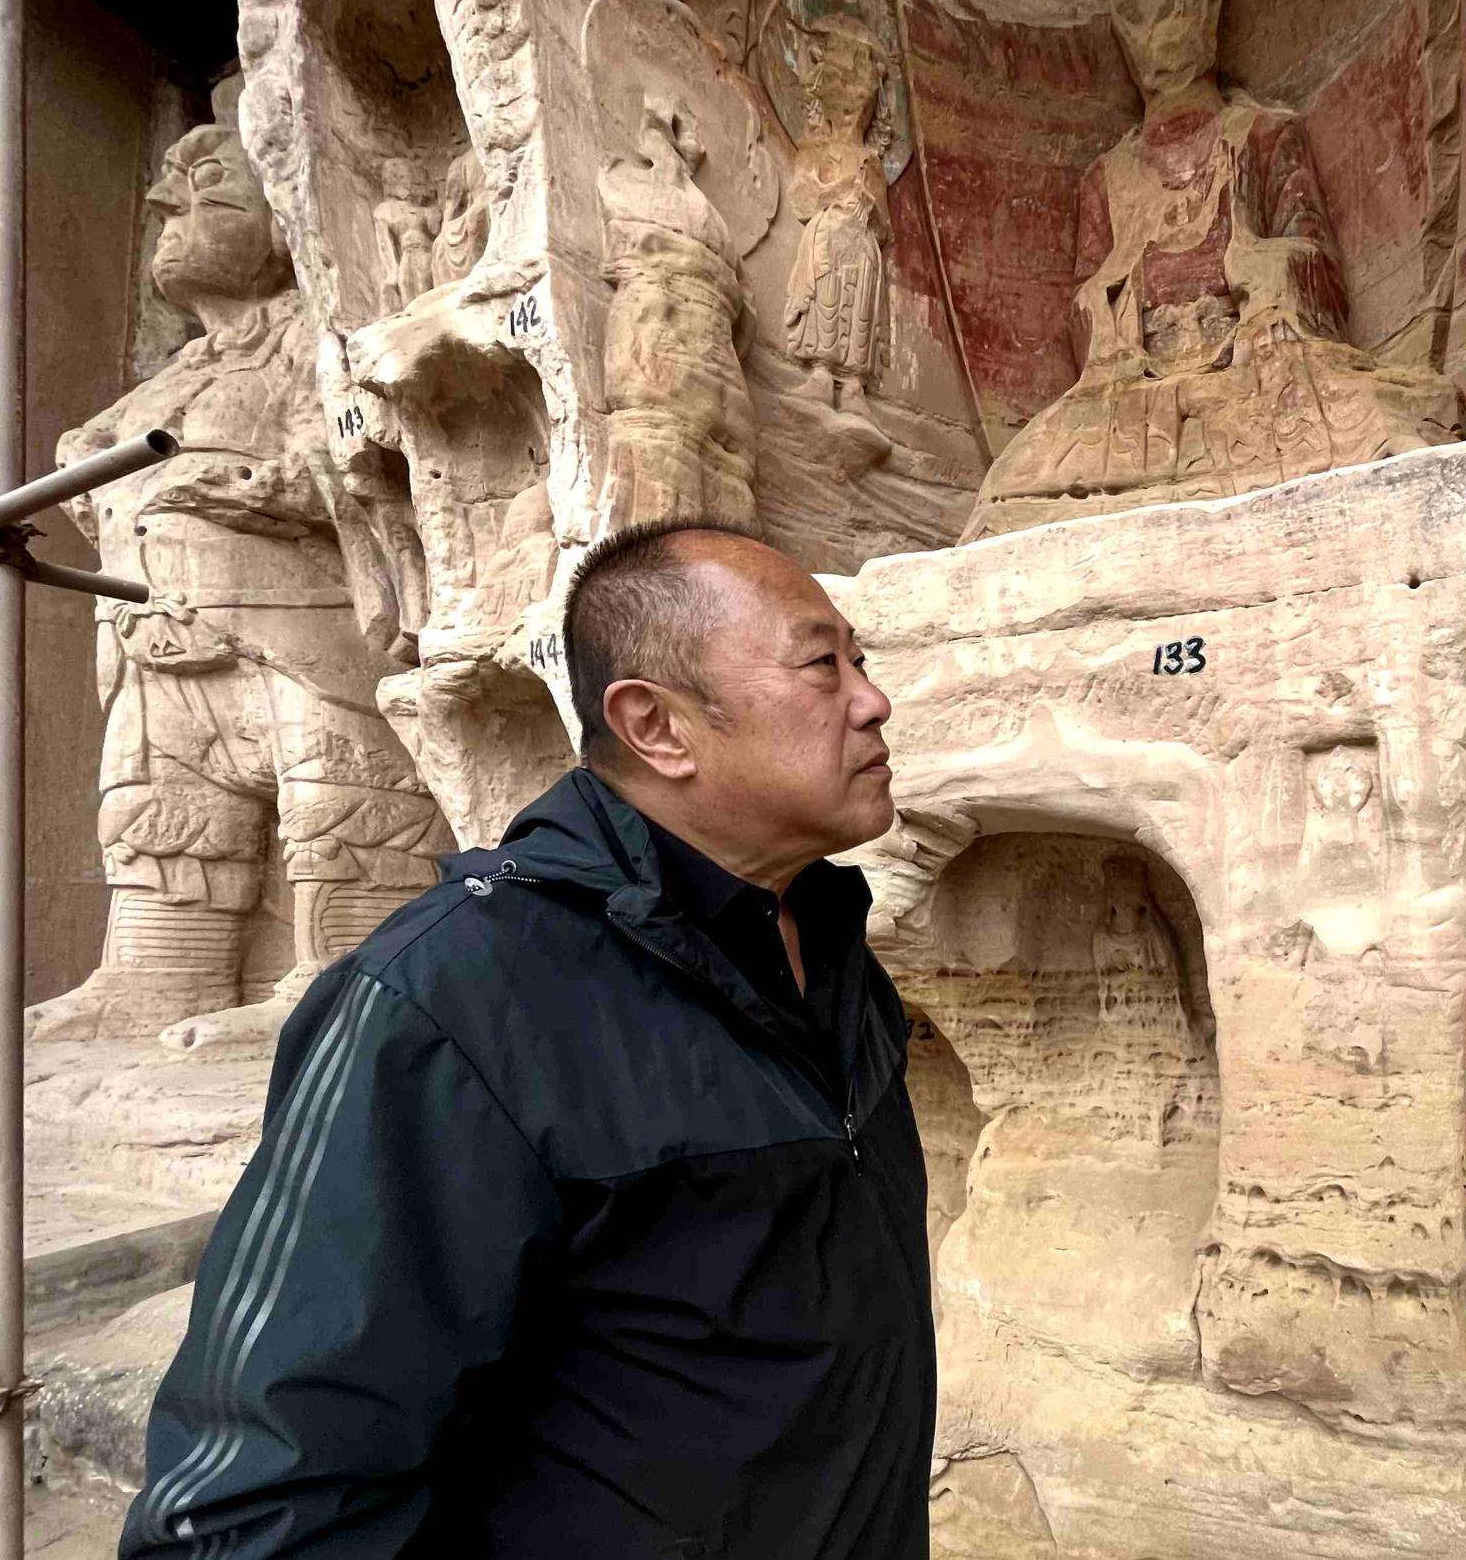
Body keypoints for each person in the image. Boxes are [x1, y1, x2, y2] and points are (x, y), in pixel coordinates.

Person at [120, 521, 930, 1559]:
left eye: (861, 659)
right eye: (823, 666)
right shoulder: (451, 1000)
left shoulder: (830, 952)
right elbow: (257, 1504)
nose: (872, 699)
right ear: (656, 726)